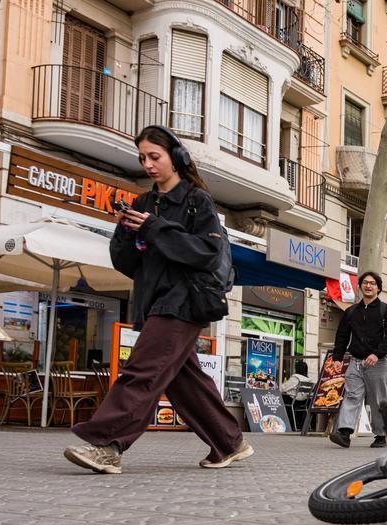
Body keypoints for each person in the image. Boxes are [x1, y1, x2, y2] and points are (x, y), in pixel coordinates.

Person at [64, 125, 252, 474]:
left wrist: (154, 228)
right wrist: (125, 232)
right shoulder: (142, 203)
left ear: (176, 158)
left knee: (142, 371)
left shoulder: (197, 200)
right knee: (184, 382)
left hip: (186, 301)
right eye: (142, 159)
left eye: (154, 156)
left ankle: (107, 444)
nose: (148, 165)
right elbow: (127, 263)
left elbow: (206, 253)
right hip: (153, 301)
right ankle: (230, 442)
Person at [329, 272, 387, 448]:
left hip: (378, 363)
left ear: (378, 288)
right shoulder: (351, 312)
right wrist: (337, 357)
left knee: (377, 400)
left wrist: (377, 354)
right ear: (360, 286)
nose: (368, 286)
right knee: (352, 395)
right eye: (365, 283)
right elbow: (342, 336)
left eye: (373, 283)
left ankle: (381, 435)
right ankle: (344, 433)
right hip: (355, 362)